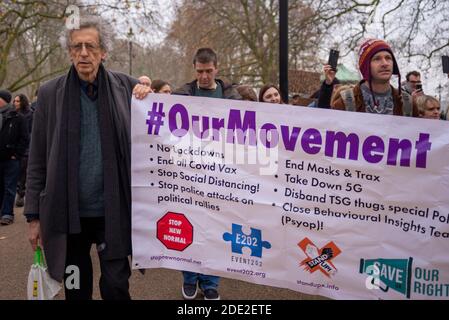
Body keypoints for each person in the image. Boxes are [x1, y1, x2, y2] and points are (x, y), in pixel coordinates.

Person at [24, 16, 151, 300]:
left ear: (103, 51)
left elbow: (158, 132)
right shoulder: (49, 94)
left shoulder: (127, 88)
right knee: (76, 290)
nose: (83, 53)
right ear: (69, 51)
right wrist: (33, 216)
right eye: (77, 46)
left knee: (116, 287)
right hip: (69, 214)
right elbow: (37, 160)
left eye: (91, 47)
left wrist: (149, 93)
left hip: (113, 212)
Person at [173, 47, 241, 300]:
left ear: (217, 68)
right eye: (200, 71)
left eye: (208, 71)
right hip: (189, 174)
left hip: (222, 174)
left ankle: (211, 282)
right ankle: (190, 279)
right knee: (189, 227)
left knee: (215, 230)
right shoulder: (182, 94)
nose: (204, 76)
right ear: (194, 70)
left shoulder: (232, 96)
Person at [332, 39, 418, 117]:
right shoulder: (345, 102)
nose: (385, 63)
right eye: (377, 59)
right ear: (366, 66)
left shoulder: (407, 104)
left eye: (388, 58)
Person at [0, 89, 29, 225]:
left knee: (9, 187)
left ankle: (7, 213)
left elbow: (25, 138)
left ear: (3, 100)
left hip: (11, 160)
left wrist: (16, 154)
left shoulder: (18, 118)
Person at [12, 94, 33, 207]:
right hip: (13, 148)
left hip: (26, 148)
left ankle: (21, 194)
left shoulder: (30, 114)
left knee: (23, 173)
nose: (15, 103)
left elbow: (31, 132)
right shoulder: (12, 114)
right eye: (14, 101)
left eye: (18, 101)